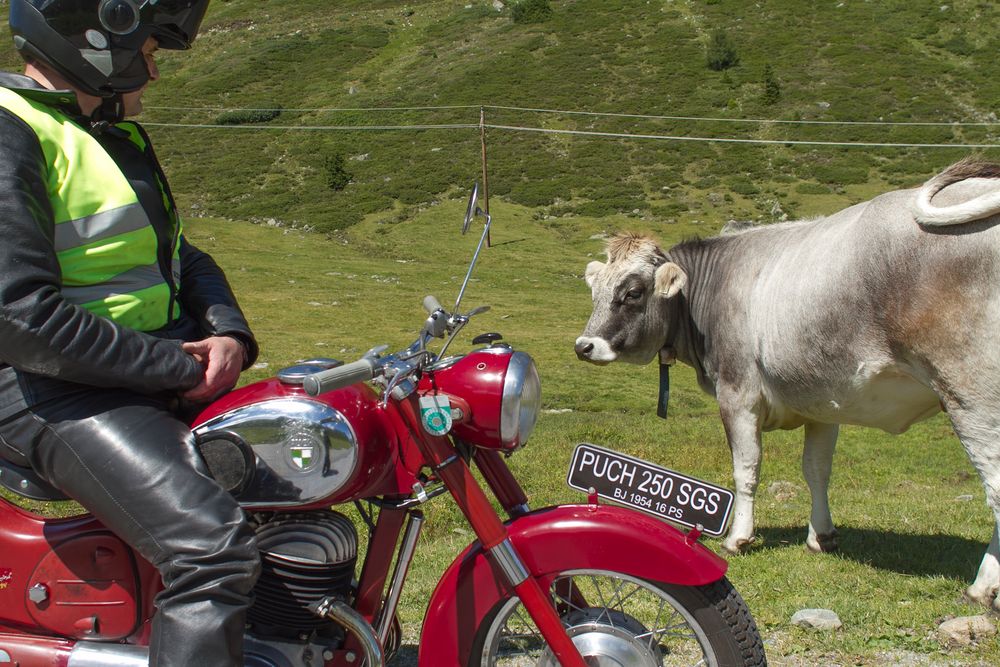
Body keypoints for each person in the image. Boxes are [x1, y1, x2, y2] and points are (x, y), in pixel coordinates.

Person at [0, 2, 260, 665]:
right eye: (148, 49)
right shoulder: (13, 132)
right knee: (213, 549)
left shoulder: (108, 136)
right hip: (53, 391)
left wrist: (227, 329)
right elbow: (20, 318)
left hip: (134, 371)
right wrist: (173, 365)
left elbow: (180, 258)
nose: (153, 67)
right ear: (96, 38)